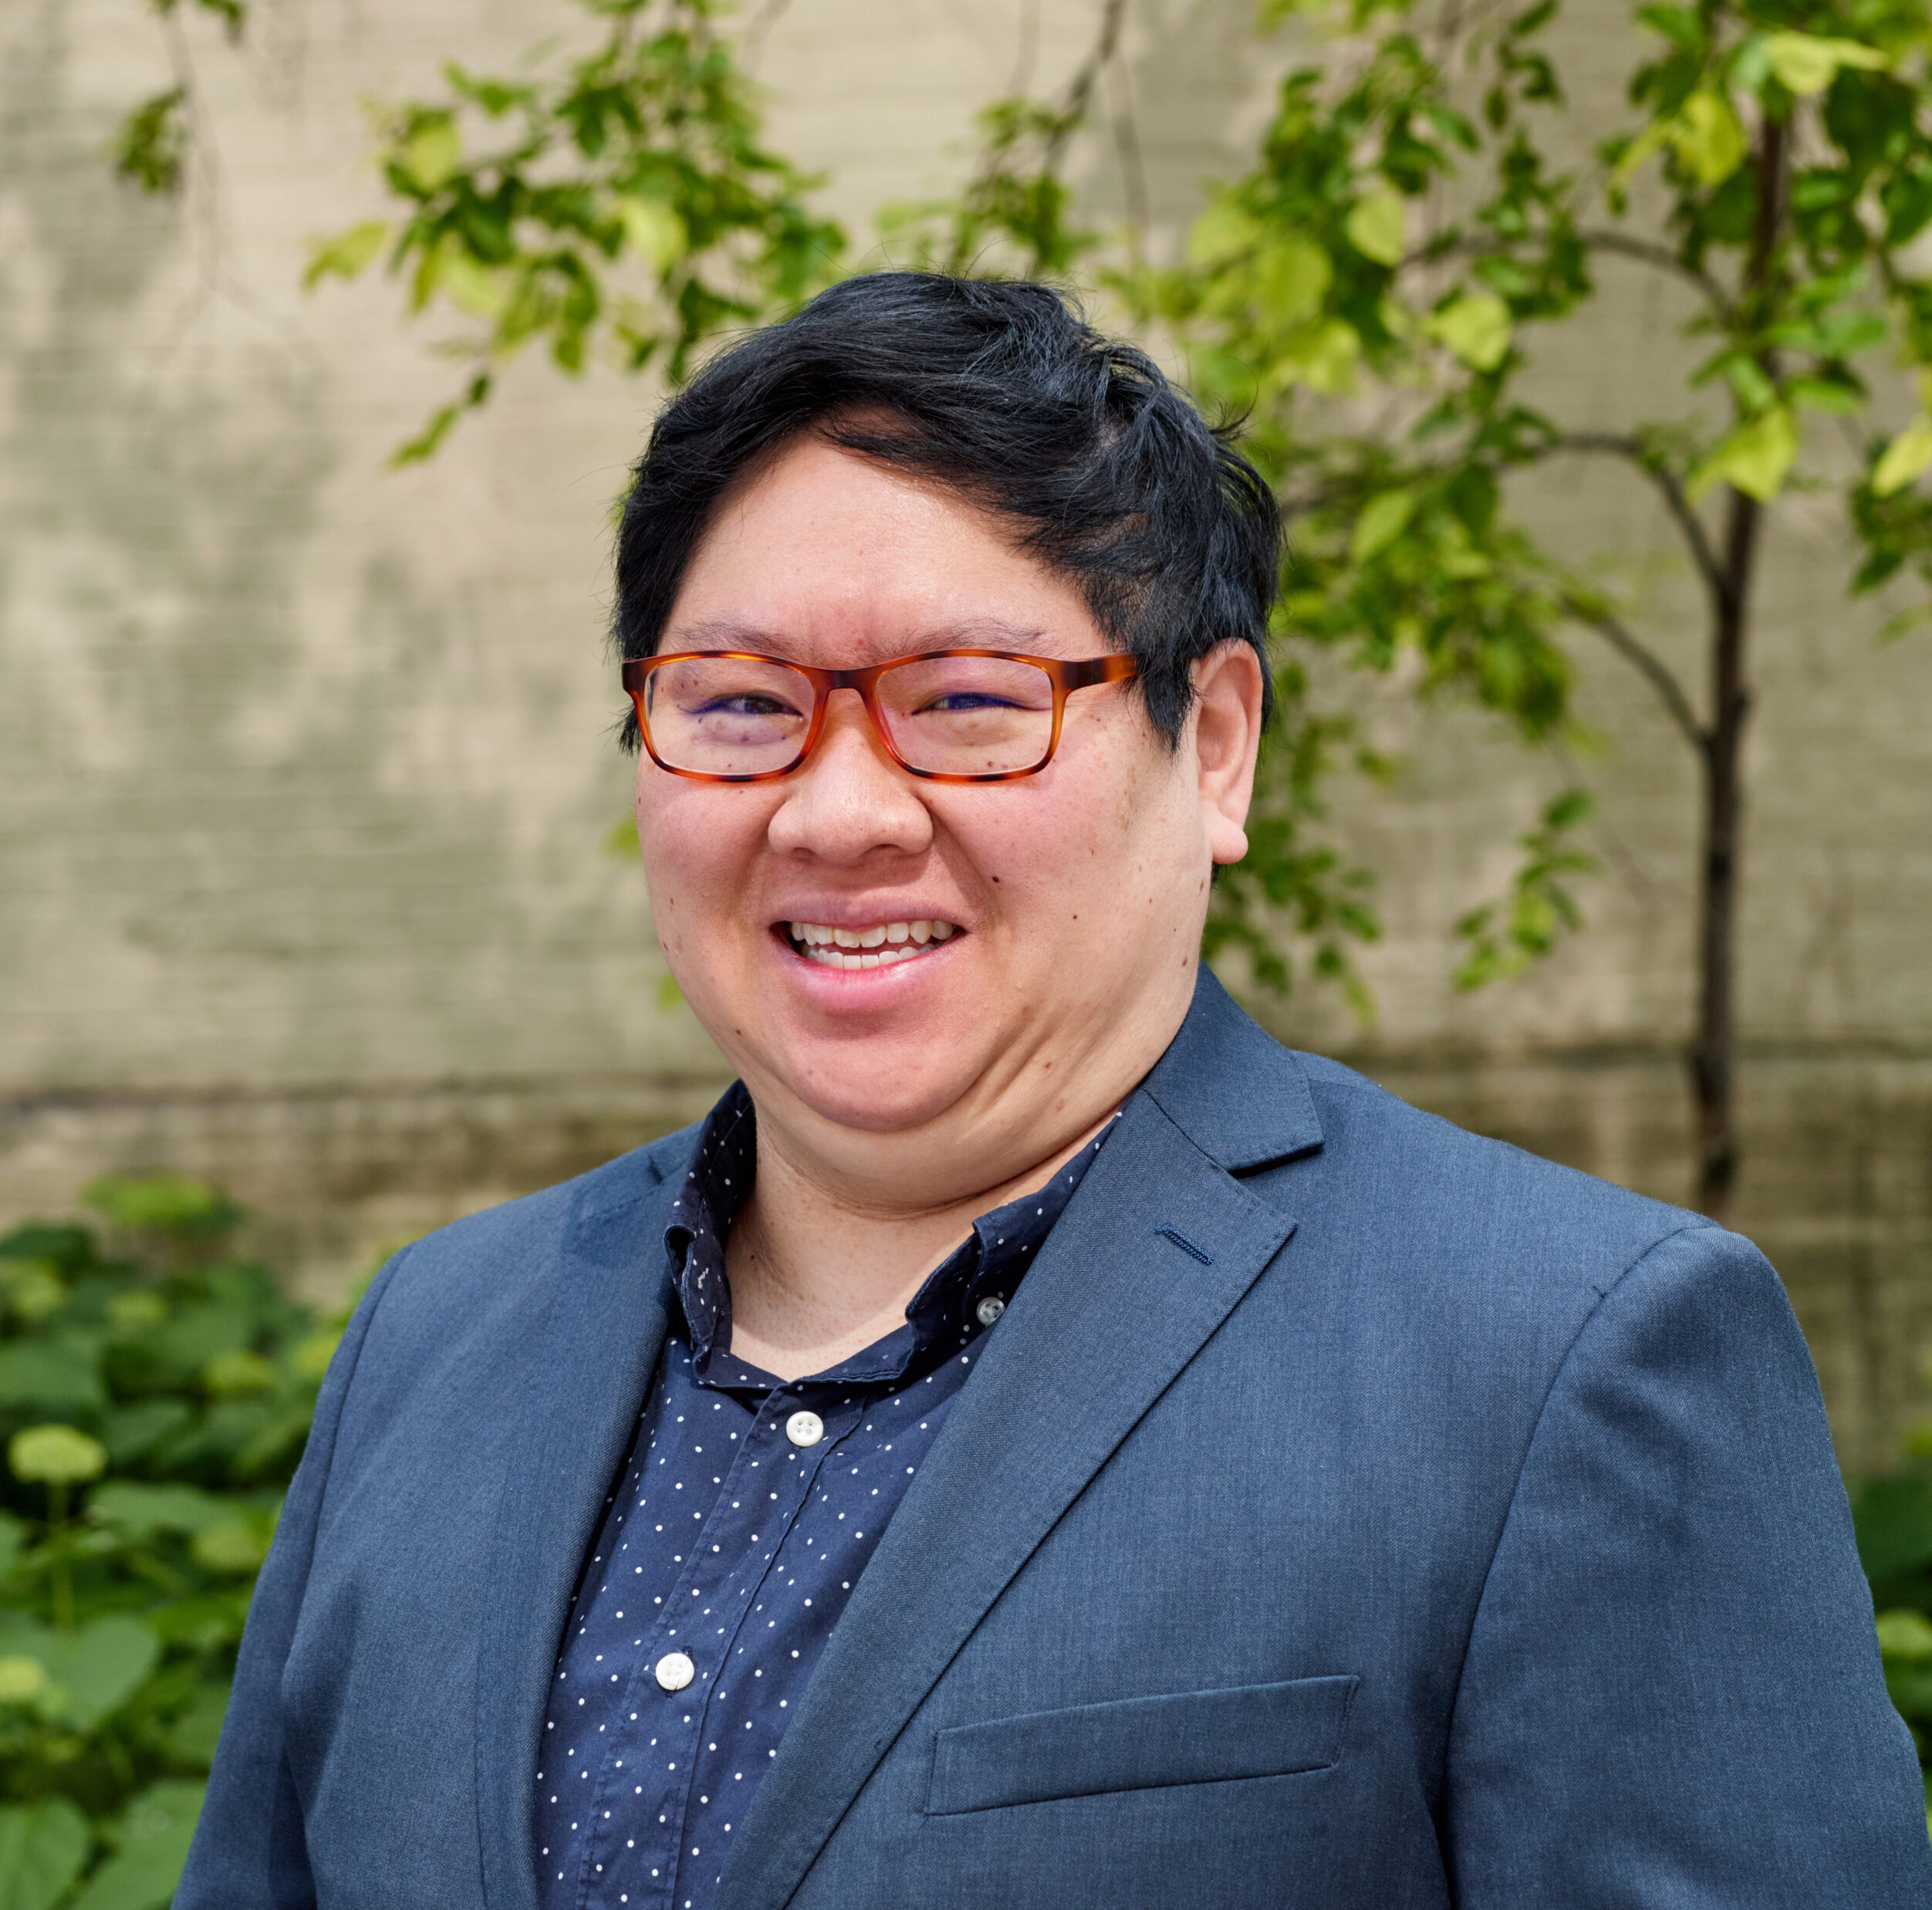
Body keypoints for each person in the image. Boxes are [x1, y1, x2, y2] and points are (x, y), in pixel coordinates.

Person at [174, 274, 1930, 1910]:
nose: (838, 809)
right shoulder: (441, 1331)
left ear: (1215, 744)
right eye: (735, 702)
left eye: (963, 699)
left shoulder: (1561, 1357)